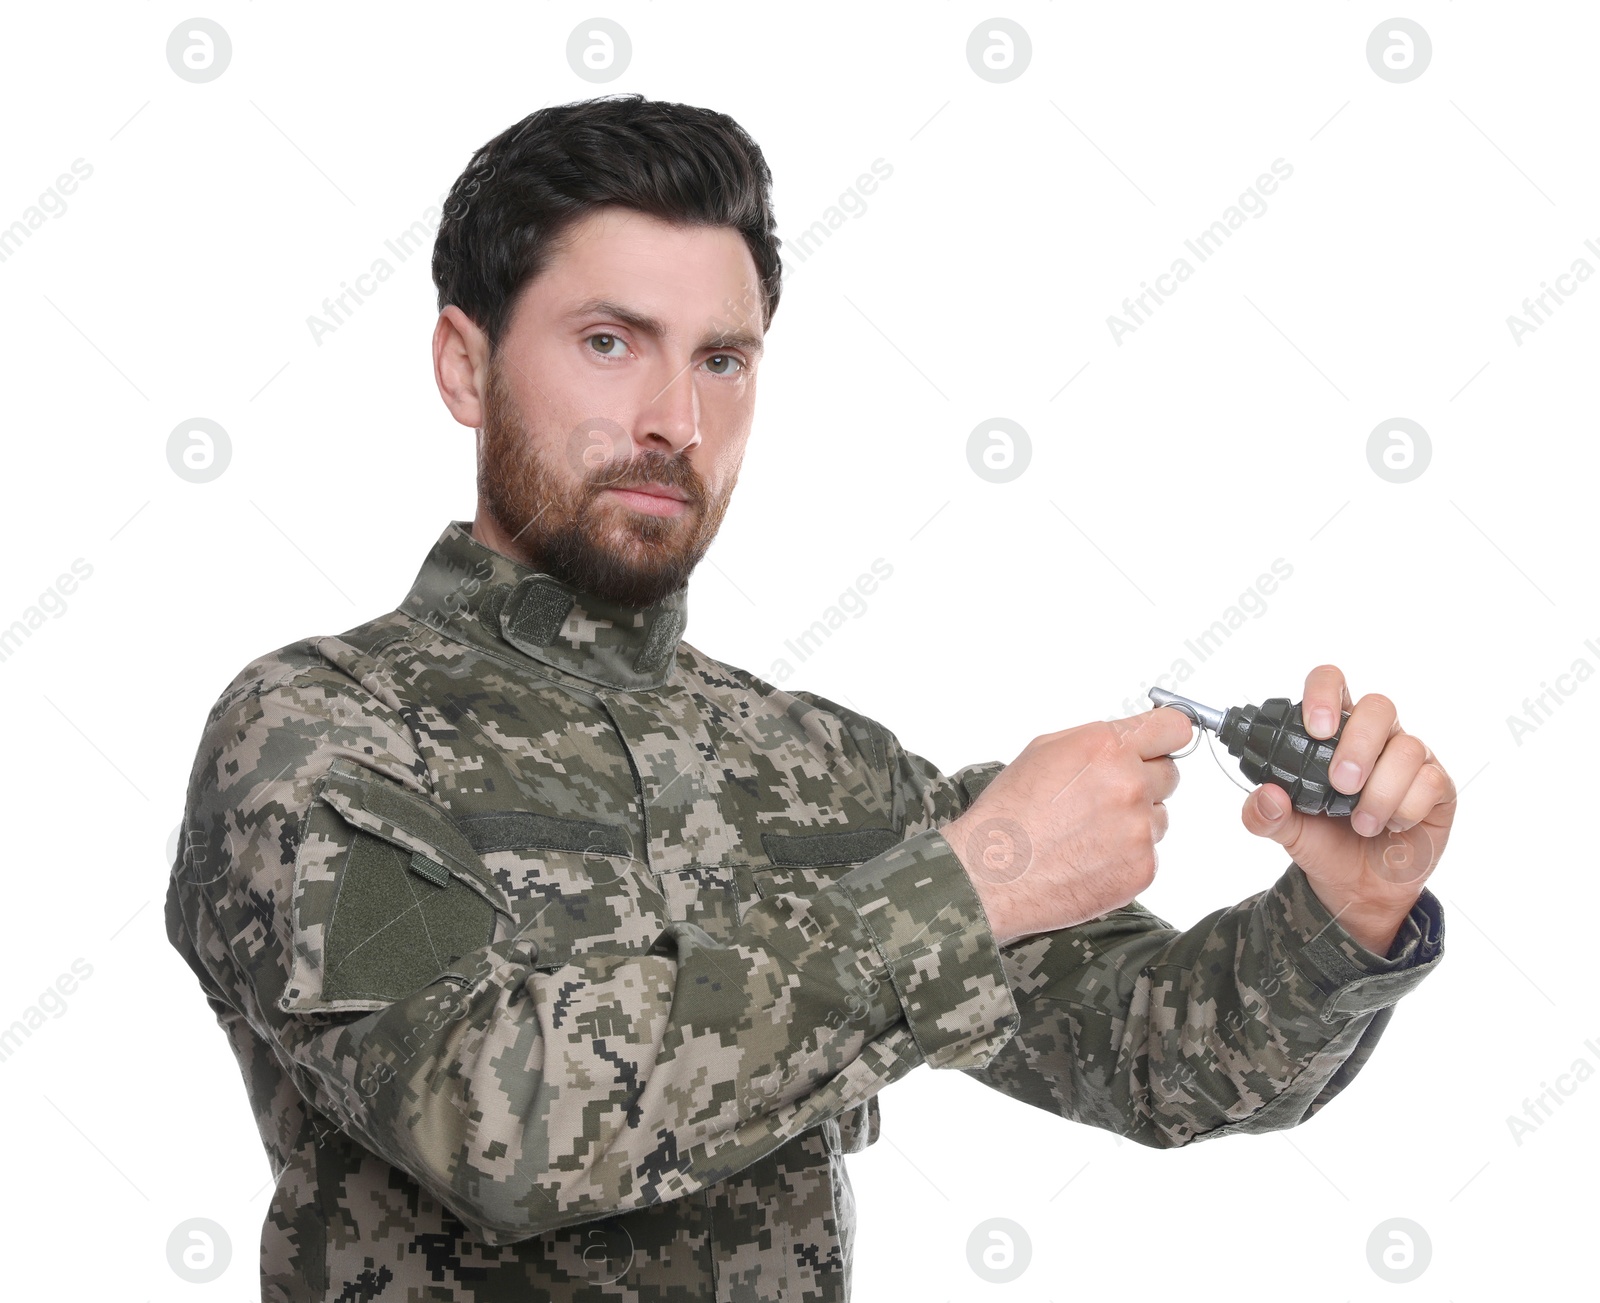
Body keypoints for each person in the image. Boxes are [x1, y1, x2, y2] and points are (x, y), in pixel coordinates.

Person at [165, 93, 1453, 1303]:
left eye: (723, 359)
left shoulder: (817, 765)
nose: (675, 417)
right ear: (464, 364)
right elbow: (488, 1119)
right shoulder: (318, 729)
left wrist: (1347, 907)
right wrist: (976, 880)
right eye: (610, 343)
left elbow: (1160, 1061)